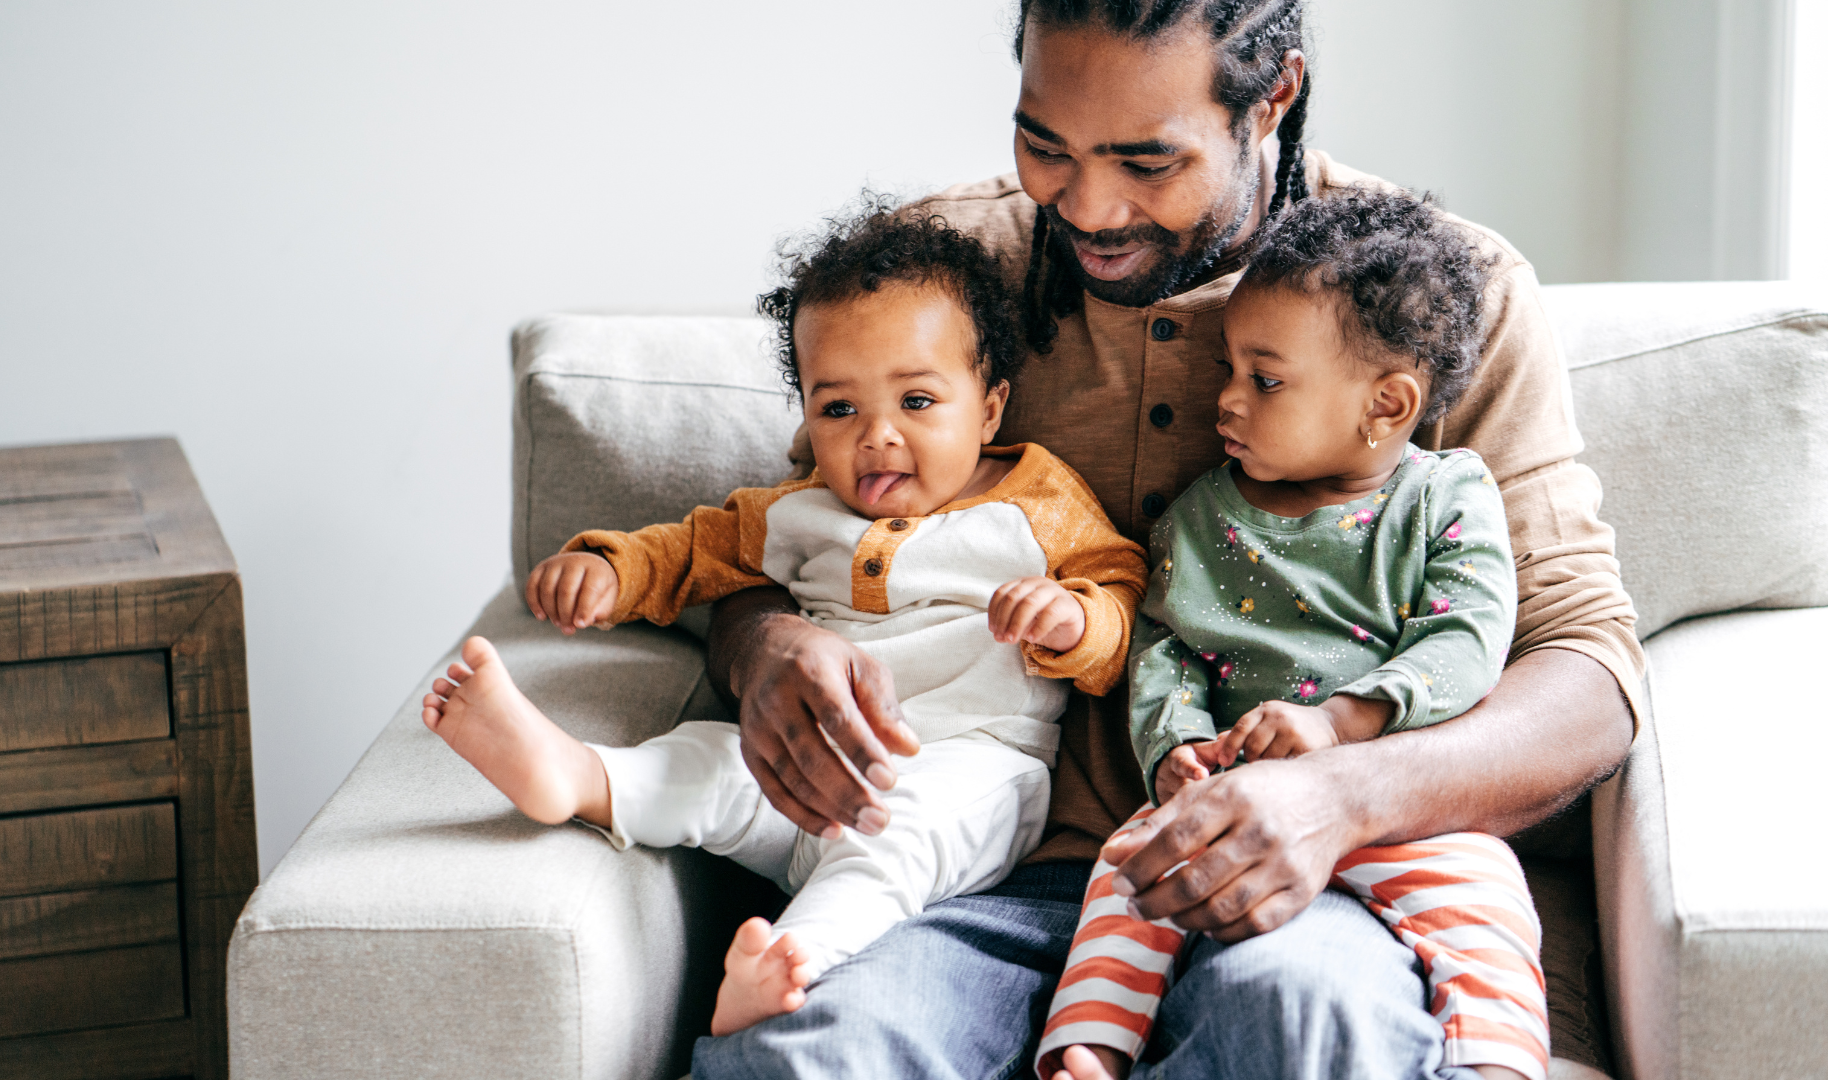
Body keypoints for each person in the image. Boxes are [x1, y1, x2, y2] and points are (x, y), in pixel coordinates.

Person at [692, 2, 1641, 1077]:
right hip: (966, 872)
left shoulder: (1427, 296)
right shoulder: (944, 275)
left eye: (1147, 160)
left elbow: (1590, 673)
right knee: (815, 1055)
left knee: (1301, 1025)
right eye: (1044, 145)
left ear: (1271, 96)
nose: (1088, 205)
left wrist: (1338, 794)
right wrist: (762, 649)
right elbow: (771, 552)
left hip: (1315, 876)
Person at [419, 207, 1149, 1038]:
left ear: (989, 409)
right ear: (806, 416)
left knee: (899, 841)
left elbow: (1118, 586)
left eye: (917, 400)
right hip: (801, 774)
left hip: (973, 773)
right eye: (839, 410)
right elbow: (688, 551)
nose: (878, 438)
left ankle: (793, 957)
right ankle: (580, 779)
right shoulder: (795, 512)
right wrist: (608, 568)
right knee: (711, 760)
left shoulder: (1037, 502)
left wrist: (1072, 619)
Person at [1038, 189, 1545, 1080]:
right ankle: (1090, 1046)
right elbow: (1166, 653)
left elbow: (1468, 637)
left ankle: (1496, 1065)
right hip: (1234, 800)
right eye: (1231, 369)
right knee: (1132, 863)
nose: (1227, 401)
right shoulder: (1201, 519)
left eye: (1264, 381)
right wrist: (1179, 752)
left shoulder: (1442, 497)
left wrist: (1342, 724)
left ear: (1387, 405)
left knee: (1489, 905)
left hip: (1409, 811)